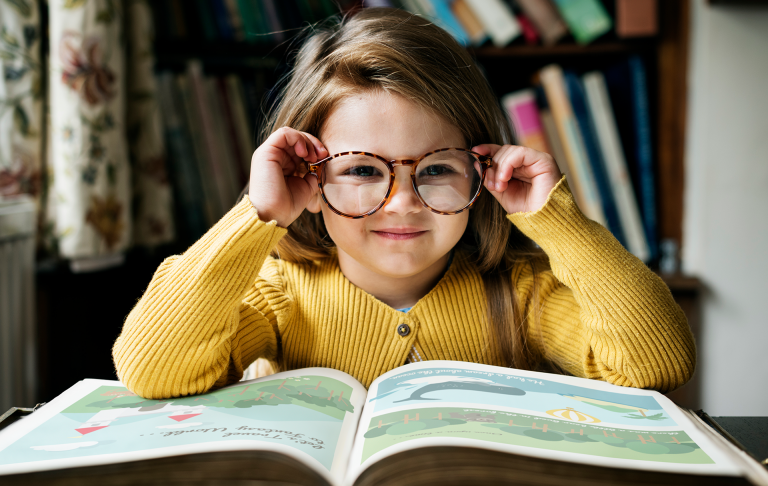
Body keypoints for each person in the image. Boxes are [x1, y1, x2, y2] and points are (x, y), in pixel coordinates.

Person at [112, 8, 694, 399]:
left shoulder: (521, 291)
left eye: (436, 169)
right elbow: (151, 369)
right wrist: (259, 217)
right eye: (363, 170)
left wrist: (561, 225)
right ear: (307, 180)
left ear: (483, 173)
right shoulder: (276, 293)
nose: (401, 203)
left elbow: (656, 364)